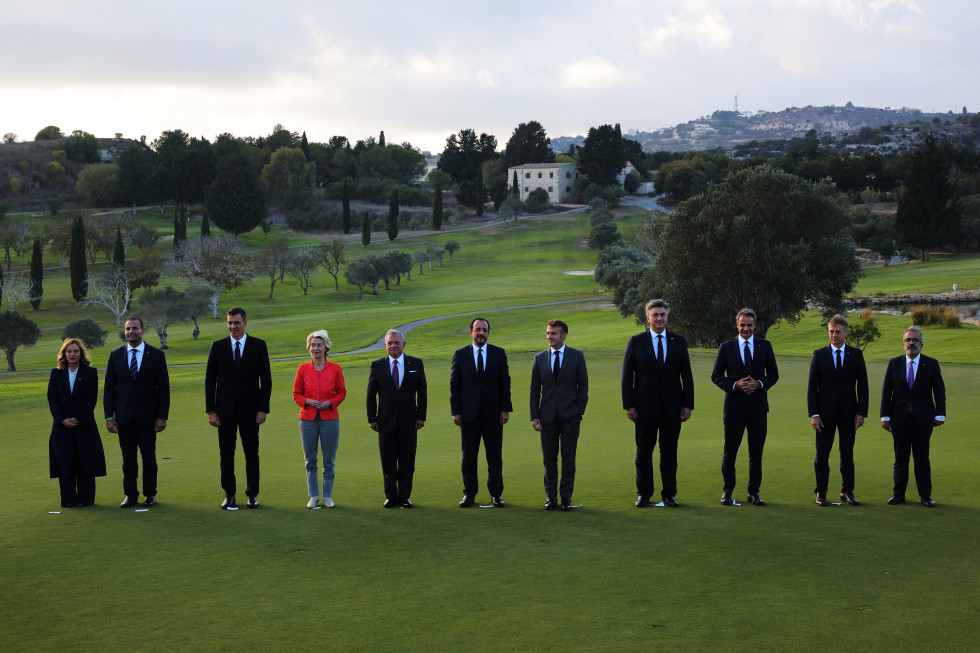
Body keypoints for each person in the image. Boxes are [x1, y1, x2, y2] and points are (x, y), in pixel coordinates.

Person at [621, 299, 694, 508]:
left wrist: (687, 404)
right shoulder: (636, 342)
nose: (659, 318)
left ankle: (669, 494)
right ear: (648, 317)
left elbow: (686, 376)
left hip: (673, 407)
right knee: (643, 453)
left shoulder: (678, 341)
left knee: (669, 453)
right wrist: (629, 405)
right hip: (644, 408)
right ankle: (644, 493)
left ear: (667, 317)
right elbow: (627, 377)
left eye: (662, 314)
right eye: (655, 315)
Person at [710, 308, 779, 506]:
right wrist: (735, 385)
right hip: (734, 408)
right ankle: (727, 491)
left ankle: (753, 492)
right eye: (742, 325)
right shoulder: (726, 347)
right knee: (730, 452)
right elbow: (716, 376)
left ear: (755, 325)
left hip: (758, 408)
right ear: (737, 325)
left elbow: (774, 374)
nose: (746, 328)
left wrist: (759, 384)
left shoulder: (765, 346)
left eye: (749, 325)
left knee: (756, 453)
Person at [205, 307, 272, 510]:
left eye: (236, 323)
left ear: (245, 322)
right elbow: (210, 382)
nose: (232, 327)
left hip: (250, 411)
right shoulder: (217, 347)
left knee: (252, 453)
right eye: (229, 323)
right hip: (224, 412)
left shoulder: (258, 346)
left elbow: (266, 381)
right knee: (226, 454)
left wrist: (262, 409)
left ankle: (252, 495)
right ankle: (229, 494)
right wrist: (211, 411)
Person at [104, 317, 170, 508]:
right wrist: (109, 417)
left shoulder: (156, 355)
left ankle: (150, 494)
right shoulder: (115, 355)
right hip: (124, 417)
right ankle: (130, 495)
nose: (131, 331)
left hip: (148, 417)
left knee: (149, 457)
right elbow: (109, 389)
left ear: (143, 330)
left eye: (134, 328)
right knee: (128, 459)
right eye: (127, 329)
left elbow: (163, 389)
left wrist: (162, 416)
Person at [880, 325, 946, 507]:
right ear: (903, 344)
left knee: (922, 459)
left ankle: (925, 496)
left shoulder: (931, 364)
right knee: (900, 459)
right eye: (908, 340)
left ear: (921, 344)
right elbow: (887, 392)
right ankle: (898, 494)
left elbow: (939, 391)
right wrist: (884, 416)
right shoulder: (894, 363)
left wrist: (941, 414)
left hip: (923, 420)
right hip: (899, 419)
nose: (911, 343)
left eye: (915, 340)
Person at [806, 314, 869, 506]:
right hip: (824, 415)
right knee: (822, 455)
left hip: (849, 414)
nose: (834, 335)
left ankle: (847, 491)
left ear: (846, 333)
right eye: (831, 332)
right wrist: (814, 414)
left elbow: (863, 387)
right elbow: (812, 388)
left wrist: (861, 412)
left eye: (838, 332)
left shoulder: (856, 355)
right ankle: (821, 493)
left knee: (847, 454)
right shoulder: (819, 355)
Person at [450, 317, 512, 508]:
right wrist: (456, 411)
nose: (481, 333)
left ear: (488, 333)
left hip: (493, 414)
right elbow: (455, 385)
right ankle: (469, 494)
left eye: (484, 330)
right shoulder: (460, 355)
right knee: (468, 456)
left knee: (494, 456)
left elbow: (505, 383)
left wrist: (505, 409)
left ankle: (496, 494)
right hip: (469, 415)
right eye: (477, 330)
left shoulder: (498, 353)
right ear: (471, 333)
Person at [530, 319, 589, 511]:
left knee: (568, 458)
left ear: (563, 335)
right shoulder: (539, 358)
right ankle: (550, 497)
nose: (549, 337)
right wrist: (535, 415)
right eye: (548, 333)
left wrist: (579, 410)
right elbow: (534, 391)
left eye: (553, 333)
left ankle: (566, 498)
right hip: (547, 417)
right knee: (549, 459)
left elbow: (584, 386)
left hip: (570, 416)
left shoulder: (577, 356)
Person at [366, 329, 427, 508]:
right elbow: (371, 395)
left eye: (396, 342)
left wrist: (421, 416)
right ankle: (391, 497)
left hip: (409, 421)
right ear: (385, 346)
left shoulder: (415, 363)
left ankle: (405, 497)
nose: (393, 346)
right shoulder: (377, 365)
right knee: (388, 462)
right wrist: (372, 418)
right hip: (385, 422)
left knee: (407, 462)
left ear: (403, 344)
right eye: (390, 343)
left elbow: (422, 393)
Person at [47, 338, 106, 507]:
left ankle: (85, 499)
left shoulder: (90, 373)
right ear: (64, 354)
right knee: (65, 462)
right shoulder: (56, 374)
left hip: (84, 426)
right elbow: (53, 399)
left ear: (81, 353)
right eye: (69, 351)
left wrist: (78, 418)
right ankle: (68, 498)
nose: (72, 354)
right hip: (61, 427)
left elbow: (91, 400)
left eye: (75, 351)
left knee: (85, 461)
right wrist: (62, 419)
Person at [293, 330, 347, 509]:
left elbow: (342, 392)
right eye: (313, 345)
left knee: (329, 460)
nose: (315, 348)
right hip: (307, 419)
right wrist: (307, 401)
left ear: (326, 348)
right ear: (309, 348)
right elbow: (296, 394)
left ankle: (328, 495)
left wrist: (330, 403)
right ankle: (314, 495)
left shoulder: (335, 368)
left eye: (319, 345)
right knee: (310, 460)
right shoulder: (302, 369)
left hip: (330, 419)